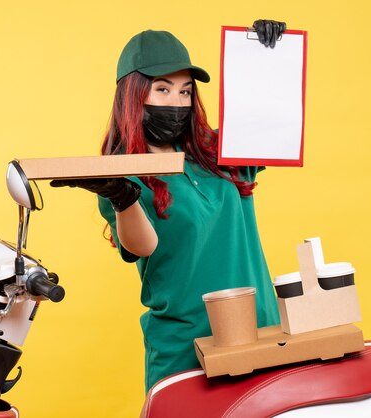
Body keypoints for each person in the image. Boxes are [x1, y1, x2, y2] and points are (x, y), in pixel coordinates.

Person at [51, 20, 287, 392]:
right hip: (185, 348)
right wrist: (123, 198)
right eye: (162, 90)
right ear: (134, 94)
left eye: (185, 92)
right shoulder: (120, 174)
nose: (177, 103)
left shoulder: (219, 151)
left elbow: (278, 129)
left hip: (260, 334)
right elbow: (142, 247)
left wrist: (265, 58)